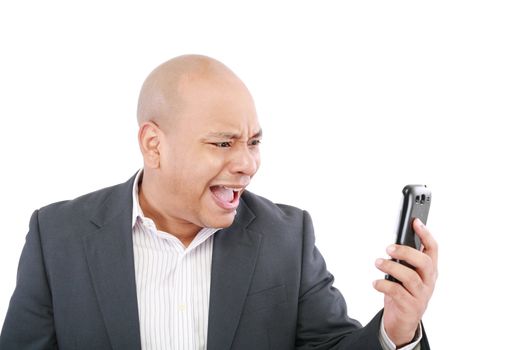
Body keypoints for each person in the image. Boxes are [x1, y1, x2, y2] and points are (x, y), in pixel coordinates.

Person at [0, 55, 438, 350]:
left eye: (253, 142)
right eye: (223, 142)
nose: (247, 163)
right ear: (154, 145)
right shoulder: (57, 235)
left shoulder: (287, 237)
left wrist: (395, 331)